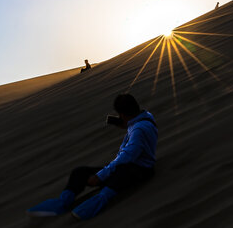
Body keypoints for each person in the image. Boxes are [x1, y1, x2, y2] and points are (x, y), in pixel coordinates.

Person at [27, 94, 158, 220]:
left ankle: (95, 204)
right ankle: (62, 203)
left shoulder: (138, 130)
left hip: (140, 170)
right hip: (130, 165)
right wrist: (127, 124)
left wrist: (100, 175)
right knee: (80, 172)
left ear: (122, 114)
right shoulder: (143, 118)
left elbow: (127, 156)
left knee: (119, 173)